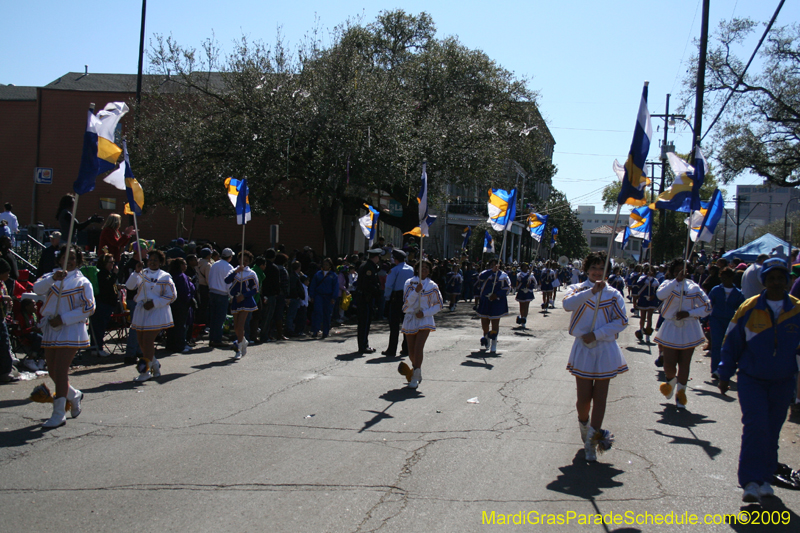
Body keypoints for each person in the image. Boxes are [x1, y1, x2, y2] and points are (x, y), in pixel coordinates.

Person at [718, 258, 800, 503]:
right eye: (771, 278)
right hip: (751, 378)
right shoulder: (749, 307)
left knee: (772, 430)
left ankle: (765, 478)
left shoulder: (797, 309)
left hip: (783, 380)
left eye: (780, 278)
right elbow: (732, 341)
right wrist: (724, 373)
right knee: (755, 427)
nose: (776, 282)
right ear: (764, 281)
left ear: (787, 281)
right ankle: (750, 482)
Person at [562, 251, 628, 462]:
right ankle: (584, 424)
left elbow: (622, 321)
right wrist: (591, 291)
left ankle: (592, 440)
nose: (597, 272)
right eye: (594, 268)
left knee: (600, 398)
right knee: (583, 399)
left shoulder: (614, 294)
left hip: (605, 348)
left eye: (601, 268)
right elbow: (567, 305)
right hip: (583, 348)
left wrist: (598, 334)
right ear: (586, 269)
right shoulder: (577, 289)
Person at [32, 245, 95, 427]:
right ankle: (74, 395)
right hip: (51, 329)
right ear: (59, 259)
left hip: (71, 329)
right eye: (65, 257)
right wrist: (53, 278)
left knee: (60, 371)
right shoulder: (50, 276)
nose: (69, 261)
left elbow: (89, 307)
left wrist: (64, 319)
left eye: (73, 257)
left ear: (78, 260)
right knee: (53, 371)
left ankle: (59, 413)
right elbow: (37, 289)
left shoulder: (82, 282)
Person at [654, 259, 711, 409]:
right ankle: (671, 381)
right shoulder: (668, 284)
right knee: (668, 364)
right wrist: (676, 281)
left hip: (689, 328)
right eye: (677, 270)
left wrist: (689, 313)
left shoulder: (694, 287)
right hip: (671, 327)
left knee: (684, 364)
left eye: (683, 270)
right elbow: (660, 295)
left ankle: (681, 394)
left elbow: (707, 307)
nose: (680, 273)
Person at [126, 250, 177, 382]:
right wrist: (136, 272)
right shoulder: (142, 273)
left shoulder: (165, 277)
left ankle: (144, 371)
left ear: (161, 262)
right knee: (142, 342)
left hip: (156, 311)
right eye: (150, 260)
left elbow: (172, 296)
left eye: (155, 260)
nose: (152, 262)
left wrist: (154, 303)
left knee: (148, 341)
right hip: (141, 310)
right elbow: (129, 286)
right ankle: (154, 364)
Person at [397, 259, 443, 389]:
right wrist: (416, 291)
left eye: (427, 268)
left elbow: (439, 305)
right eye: (422, 267)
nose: (424, 270)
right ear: (417, 269)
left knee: (418, 348)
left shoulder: (432, 285)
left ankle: (415, 377)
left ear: (430, 271)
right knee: (411, 351)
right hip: (410, 318)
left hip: (425, 319)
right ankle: (416, 370)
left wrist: (425, 313)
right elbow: (406, 304)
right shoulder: (409, 283)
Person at [706, 268, 745, 379]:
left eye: (727, 278)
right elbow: (708, 305)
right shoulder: (716, 290)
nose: (724, 280)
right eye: (722, 278)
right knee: (717, 344)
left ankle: (725, 368)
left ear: (732, 278)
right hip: (716, 320)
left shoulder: (738, 293)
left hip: (730, 321)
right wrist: (705, 319)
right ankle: (715, 370)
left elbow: (741, 308)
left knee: (728, 345)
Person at [225, 250, 259, 360]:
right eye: (242, 260)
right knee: (236, 327)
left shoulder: (251, 273)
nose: (244, 262)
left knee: (240, 325)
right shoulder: (234, 271)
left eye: (246, 261)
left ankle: (238, 349)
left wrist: (244, 296)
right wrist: (236, 272)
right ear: (238, 260)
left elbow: (255, 289)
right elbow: (227, 280)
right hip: (236, 300)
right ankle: (243, 341)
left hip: (246, 301)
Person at [382, 249, 414, 357]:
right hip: (409, 298)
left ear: (395, 259)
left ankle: (392, 350)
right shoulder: (411, 269)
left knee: (394, 325)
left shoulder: (394, 270)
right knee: (407, 324)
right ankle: (406, 348)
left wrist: (387, 298)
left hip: (396, 298)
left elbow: (389, 285)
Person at [476, 258, 511, 353]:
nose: (494, 266)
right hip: (485, 301)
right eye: (492, 264)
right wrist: (491, 271)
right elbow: (480, 278)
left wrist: (496, 295)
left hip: (496, 302)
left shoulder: (503, 275)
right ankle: (486, 338)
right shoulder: (486, 273)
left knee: (495, 323)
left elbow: (507, 288)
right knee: (484, 323)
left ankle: (494, 343)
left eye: (496, 264)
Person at [91, 254, 119, 357]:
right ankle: (97, 347)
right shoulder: (102, 274)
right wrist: (114, 274)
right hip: (103, 303)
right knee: (99, 327)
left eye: (113, 262)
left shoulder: (107, 273)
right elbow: (107, 285)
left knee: (100, 327)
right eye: (110, 262)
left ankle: (95, 347)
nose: (113, 264)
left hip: (108, 304)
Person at [355, 248, 382, 354]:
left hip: (366, 297)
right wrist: (377, 292)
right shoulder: (368, 268)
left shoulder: (368, 265)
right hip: (365, 298)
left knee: (365, 322)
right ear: (376, 257)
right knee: (364, 323)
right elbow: (368, 285)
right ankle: (363, 346)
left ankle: (364, 344)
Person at [166, 257, 194, 354]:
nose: (186, 266)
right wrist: (189, 300)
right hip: (181, 304)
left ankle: (171, 344)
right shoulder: (181, 276)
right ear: (180, 265)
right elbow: (184, 291)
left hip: (173, 303)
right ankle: (179, 345)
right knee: (180, 326)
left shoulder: (173, 275)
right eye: (184, 264)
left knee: (173, 325)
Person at [208, 248, 234, 347]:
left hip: (212, 292)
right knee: (220, 318)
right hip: (222, 294)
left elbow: (209, 278)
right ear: (230, 257)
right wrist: (231, 296)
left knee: (213, 317)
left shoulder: (214, 264)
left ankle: (212, 338)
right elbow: (229, 283)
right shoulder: (229, 267)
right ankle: (217, 339)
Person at [309, 258, 339, 339]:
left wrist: (333, 297)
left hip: (328, 297)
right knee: (317, 312)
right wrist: (312, 296)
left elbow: (335, 287)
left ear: (330, 266)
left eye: (327, 265)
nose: (325, 266)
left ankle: (325, 332)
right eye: (324, 264)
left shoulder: (333, 275)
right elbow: (313, 285)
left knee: (327, 314)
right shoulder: (318, 274)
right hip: (319, 295)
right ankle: (315, 331)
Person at [634, 265, 660, 343]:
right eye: (649, 270)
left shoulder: (655, 281)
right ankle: (641, 331)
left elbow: (657, 291)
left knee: (649, 317)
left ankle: (648, 335)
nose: (650, 272)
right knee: (642, 317)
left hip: (651, 300)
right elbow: (638, 284)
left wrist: (653, 296)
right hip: (643, 299)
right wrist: (646, 277)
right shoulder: (642, 278)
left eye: (652, 271)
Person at [0, 259, 16, 382]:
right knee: (3, 345)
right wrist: (3, 298)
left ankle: (5, 372)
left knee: (5, 345)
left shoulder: (3, 284)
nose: (8, 275)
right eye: (7, 272)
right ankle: (4, 372)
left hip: (2, 317)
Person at [515, 262, 538, 329]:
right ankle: (522, 317)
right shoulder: (519, 275)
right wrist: (528, 275)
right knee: (521, 306)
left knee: (526, 306)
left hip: (528, 292)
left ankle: (524, 319)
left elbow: (535, 284)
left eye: (526, 267)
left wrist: (530, 286)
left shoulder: (531, 275)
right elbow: (521, 281)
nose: (525, 268)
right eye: (524, 267)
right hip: (521, 291)